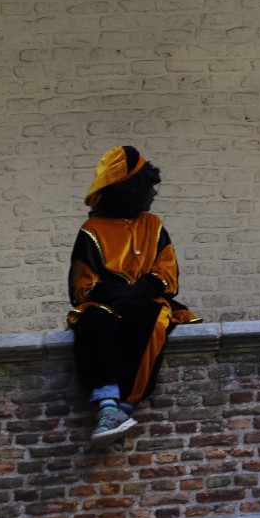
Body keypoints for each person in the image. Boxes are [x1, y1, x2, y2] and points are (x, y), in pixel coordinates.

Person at [68, 146, 200, 447]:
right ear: (130, 190)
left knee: (150, 319)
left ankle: (125, 406)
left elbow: (166, 273)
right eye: (147, 187)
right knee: (92, 322)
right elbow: (82, 284)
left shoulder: (153, 225)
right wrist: (115, 293)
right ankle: (106, 402)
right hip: (105, 303)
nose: (153, 194)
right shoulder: (92, 230)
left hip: (145, 300)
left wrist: (141, 290)